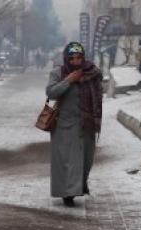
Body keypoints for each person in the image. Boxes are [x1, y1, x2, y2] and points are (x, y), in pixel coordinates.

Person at [46, 42, 103, 207]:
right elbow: (50, 92)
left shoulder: (92, 73)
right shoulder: (59, 72)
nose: (75, 62)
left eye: (78, 58)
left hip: (87, 124)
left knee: (86, 160)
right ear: (66, 58)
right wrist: (68, 81)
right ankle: (68, 193)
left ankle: (78, 186)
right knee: (67, 161)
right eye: (71, 58)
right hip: (65, 124)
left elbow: (99, 93)